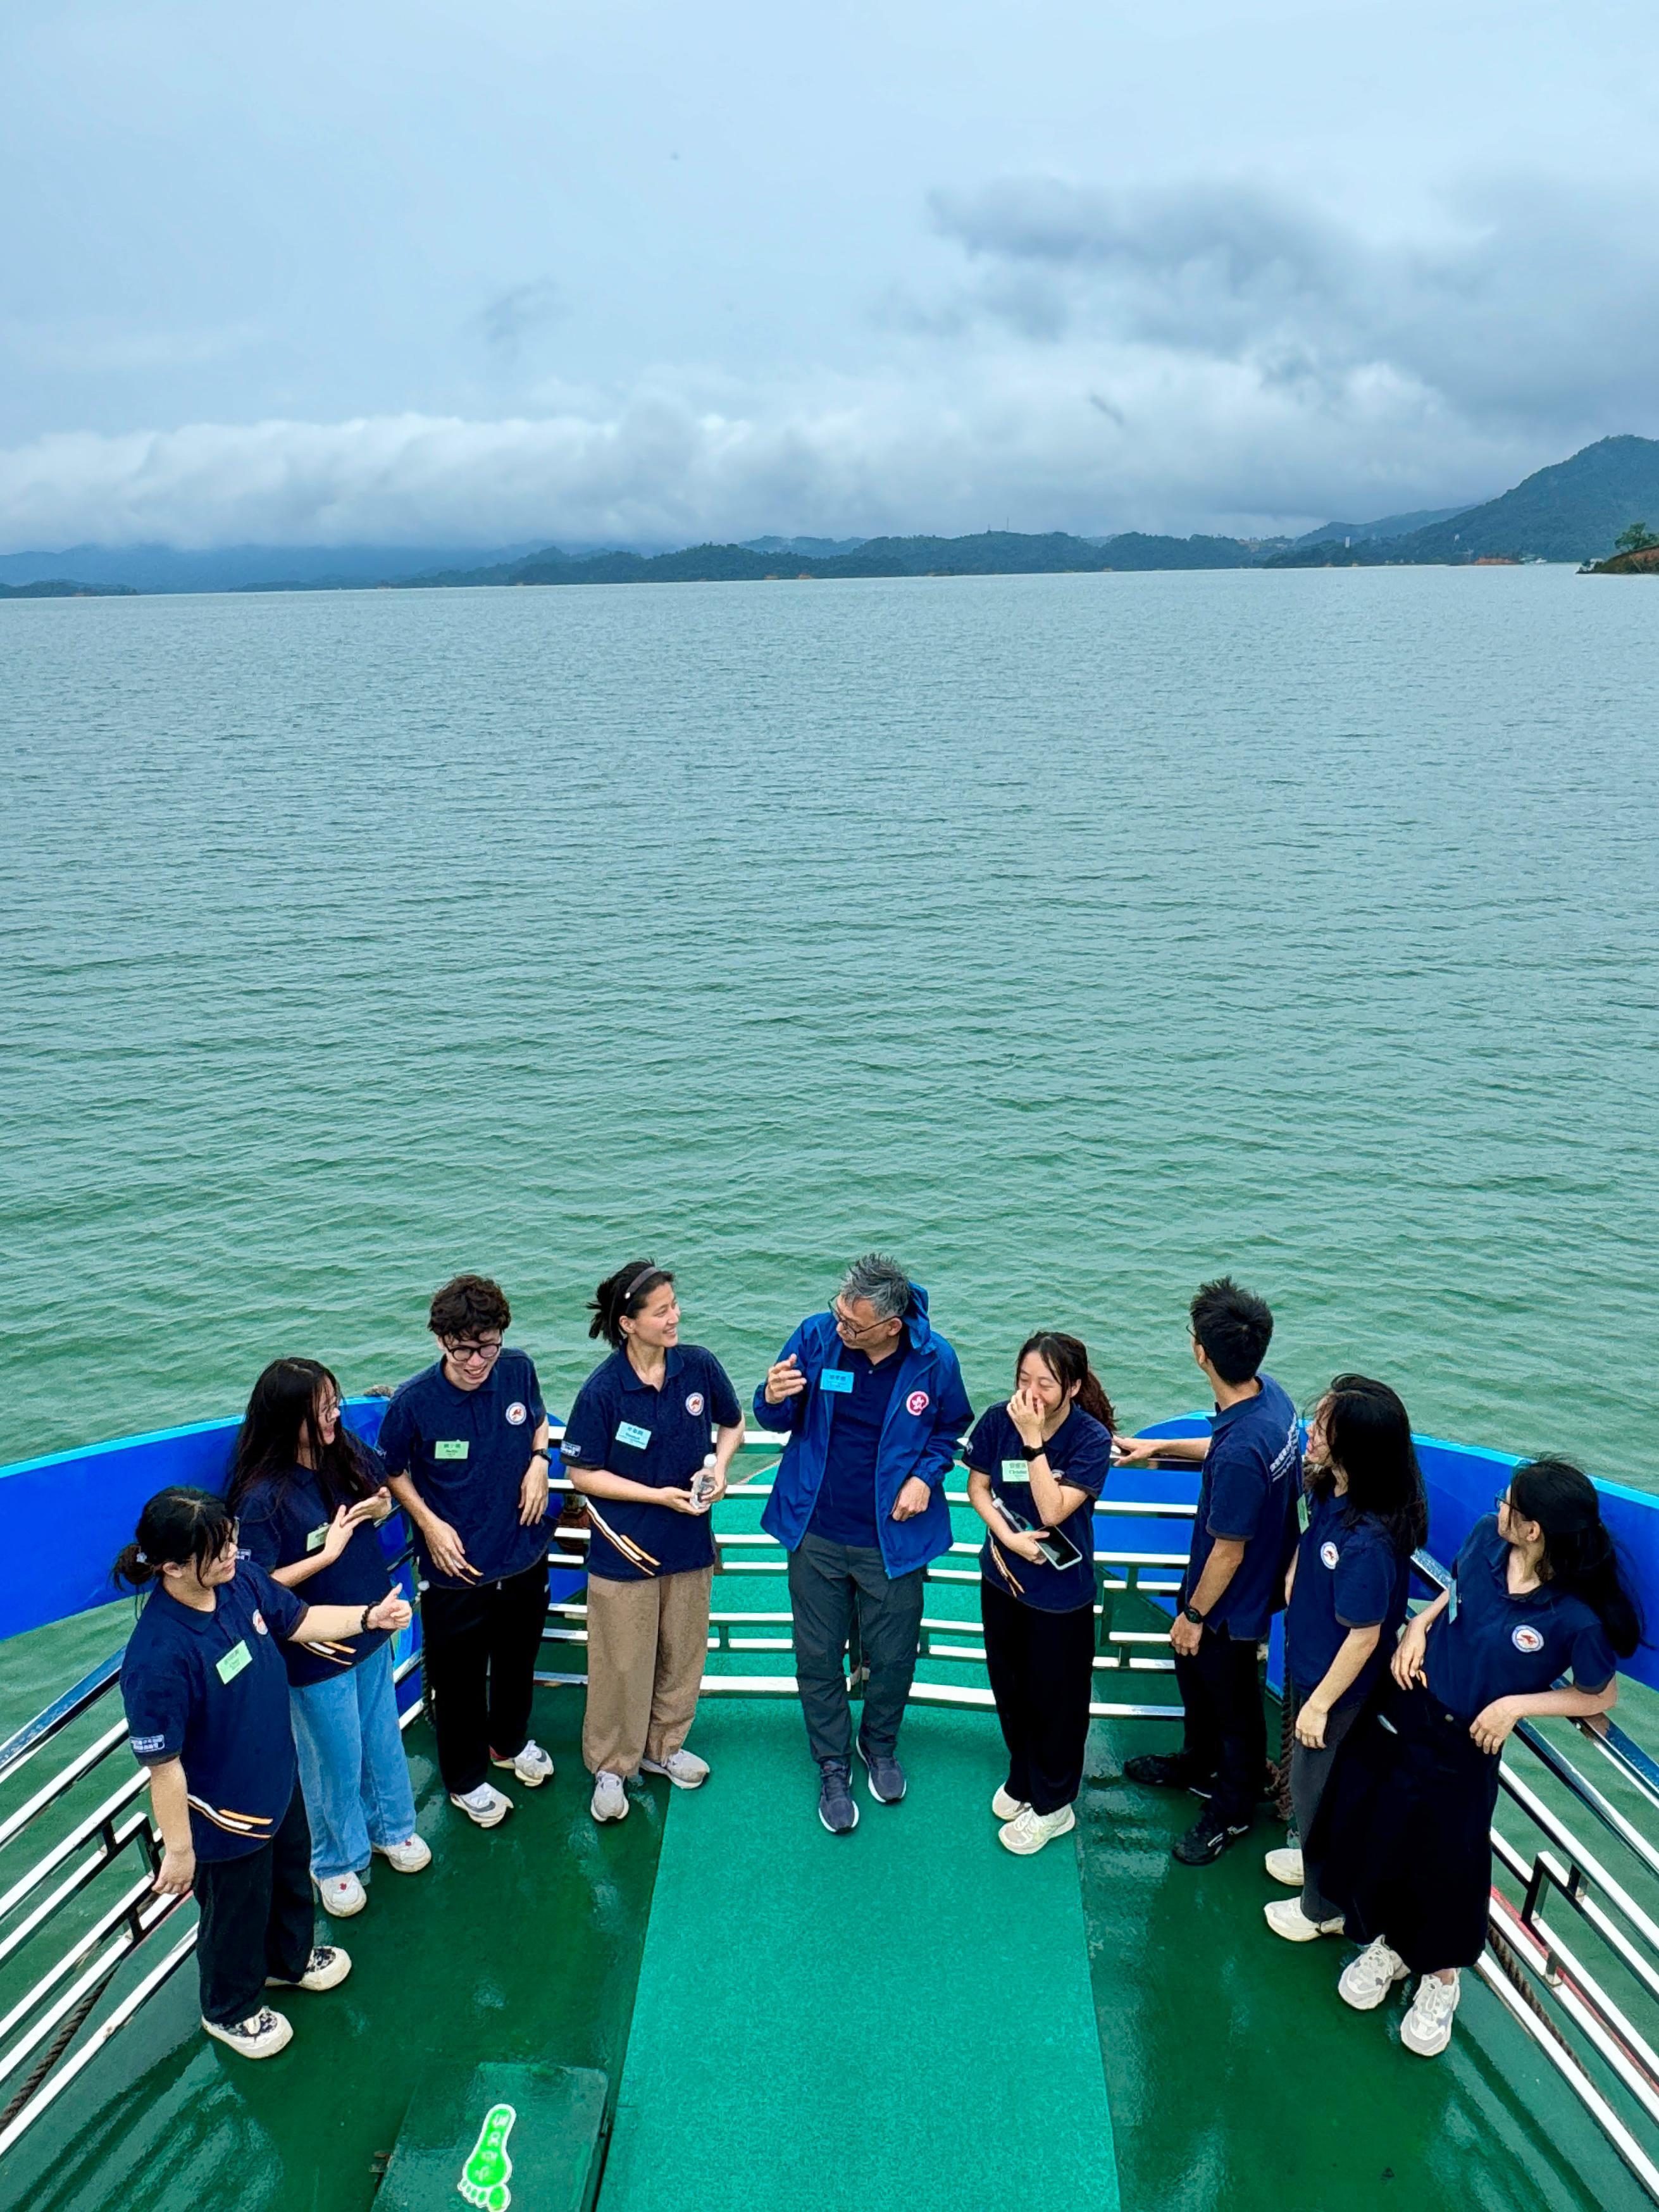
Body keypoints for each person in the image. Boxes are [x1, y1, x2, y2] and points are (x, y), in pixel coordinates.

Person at [1315, 1458, 1639, 2058]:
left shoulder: (1575, 1616)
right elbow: (1458, 1587)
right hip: (1413, 1708)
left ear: (1535, 1528)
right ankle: (1390, 1943)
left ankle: (1441, 1978)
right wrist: (1419, 1628)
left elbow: (1601, 1692)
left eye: (1509, 1502)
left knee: (1451, 1861)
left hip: (1469, 1743)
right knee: (1388, 1831)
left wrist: (1516, 1705)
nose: (1499, 1508)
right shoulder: (1487, 1539)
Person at [116, 1486, 412, 2060]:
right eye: (218, 1549)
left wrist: (368, 1617)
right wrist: (179, 1852)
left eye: (230, 1540)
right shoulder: (157, 1657)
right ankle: (228, 2009)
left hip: (277, 1779)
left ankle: (288, 1961)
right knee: (235, 1914)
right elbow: (164, 1767)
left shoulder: (240, 1583)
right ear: (173, 1567)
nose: (234, 1552)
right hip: (223, 1813)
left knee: (288, 1882)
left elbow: (298, 1620)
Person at [755, 1252, 972, 1834]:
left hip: (893, 1538)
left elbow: (950, 1429)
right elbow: (773, 1417)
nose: (842, 1330)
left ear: (891, 1327)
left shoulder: (935, 1360)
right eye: (840, 1317)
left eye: (854, 1325)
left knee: (895, 1653)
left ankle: (880, 1746)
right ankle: (831, 1763)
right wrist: (772, 1395)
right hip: (816, 1529)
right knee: (818, 1655)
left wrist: (925, 1478)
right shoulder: (816, 1336)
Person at [228, 1358, 429, 1918]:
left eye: (335, 1403)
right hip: (315, 1648)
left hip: (371, 1627)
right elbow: (254, 1585)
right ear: (288, 1417)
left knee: (381, 1737)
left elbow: (382, 1491)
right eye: (322, 1409)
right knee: (331, 1758)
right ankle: (335, 1860)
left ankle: (394, 1828)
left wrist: (380, 1506)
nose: (334, 1415)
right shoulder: (262, 1498)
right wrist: (328, 1554)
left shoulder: (344, 1453)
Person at [1115, 1277, 1300, 1864]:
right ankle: (1197, 1764)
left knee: (1235, 1708)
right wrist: (1162, 1450)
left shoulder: (1247, 1450)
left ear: (1202, 1353)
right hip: (1237, 1589)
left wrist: (1194, 1613)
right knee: (1197, 1682)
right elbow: (1226, 1444)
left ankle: (1233, 1809)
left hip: (1229, 1604)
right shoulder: (1270, 1401)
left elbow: (1228, 1549)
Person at [560, 1262, 744, 1824]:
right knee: (621, 1661)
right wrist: (654, 1495)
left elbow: (732, 1423)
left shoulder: (698, 1367)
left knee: (682, 1653)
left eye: (674, 1305)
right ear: (627, 1324)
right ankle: (612, 1767)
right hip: (624, 1548)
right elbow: (584, 1474)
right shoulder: (603, 1391)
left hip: (689, 1542)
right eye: (661, 1310)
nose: (675, 1317)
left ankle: (666, 1748)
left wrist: (721, 1469)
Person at [378, 1274, 554, 1828]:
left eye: (488, 1346)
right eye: (463, 1349)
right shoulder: (413, 1402)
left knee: (518, 1659)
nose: (477, 1361)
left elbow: (541, 1420)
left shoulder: (518, 1368)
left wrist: (540, 1463)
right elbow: (391, 1470)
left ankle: (508, 1742)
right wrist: (428, 1524)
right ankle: (464, 1779)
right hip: (456, 1569)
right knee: (456, 1682)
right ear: (439, 1341)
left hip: (522, 1552)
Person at [1262, 1376, 1424, 1941]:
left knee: (1316, 1788)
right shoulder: (1332, 1490)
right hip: (1309, 1660)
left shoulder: (1369, 1543)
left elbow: (1363, 1637)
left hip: (1338, 1686)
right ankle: (1313, 1868)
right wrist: (1293, 1569)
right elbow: (1313, 1540)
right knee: (1309, 1785)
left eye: (1324, 1428)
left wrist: (1320, 1706)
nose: (1310, 1432)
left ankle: (1321, 1907)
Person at [964, 1332, 1114, 1856]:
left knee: (1058, 1700)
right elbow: (977, 1487)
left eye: (1045, 1384)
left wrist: (1033, 1440)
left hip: (1060, 1594)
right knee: (1011, 1686)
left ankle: (1055, 1805)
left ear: (1072, 1387)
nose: (1030, 1394)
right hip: (1003, 1578)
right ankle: (1024, 1776)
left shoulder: (1090, 1440)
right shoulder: (996, 1419)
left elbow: (1052, 1510)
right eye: (1023, 1380)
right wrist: (1006, 1538)